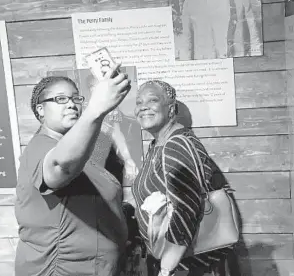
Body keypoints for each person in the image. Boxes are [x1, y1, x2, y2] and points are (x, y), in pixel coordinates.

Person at [14, 65, 131, 276]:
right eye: (60, 99)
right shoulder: (41, 147)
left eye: (76, 99)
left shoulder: (79, 152)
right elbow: (59, 168)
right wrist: (96, 109)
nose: (71, 104)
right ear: (40, 110)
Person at [131, 80, 231, 276]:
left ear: (171, 109)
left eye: (152, 100)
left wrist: (167, 267)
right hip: (175, 261)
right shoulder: (157, 144)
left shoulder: (177, 144)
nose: (143, 107)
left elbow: (186, 208)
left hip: (188, 265)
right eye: (139, 102)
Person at [85, 73, 139, 185]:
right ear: (92, 89)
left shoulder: (111, 108)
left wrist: (128, 160)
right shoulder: (82, 107)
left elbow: (117, 133)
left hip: (106, 161)